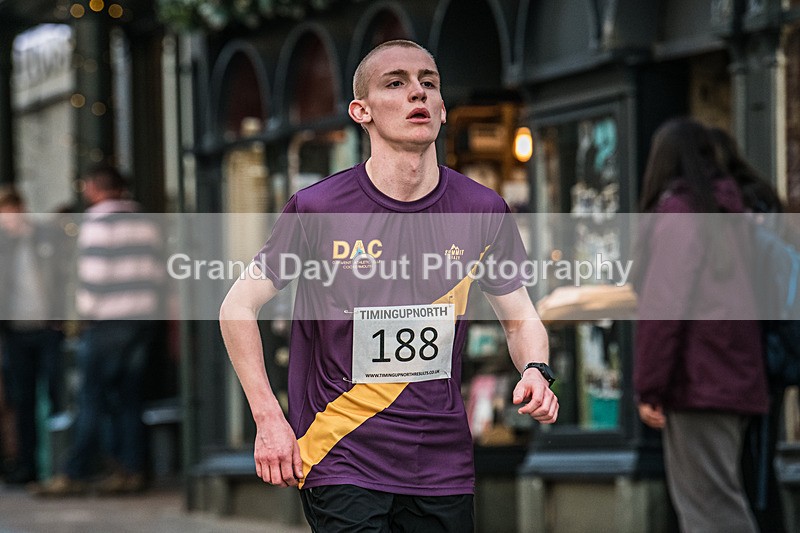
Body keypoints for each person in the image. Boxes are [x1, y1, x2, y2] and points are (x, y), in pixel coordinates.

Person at [219, 39, 558, 532]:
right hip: (340, 451)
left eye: (428, 83)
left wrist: (535, 369)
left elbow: (521, 318)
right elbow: (237, 307)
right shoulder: (319, 209)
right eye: (395, 83)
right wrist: (269, 418)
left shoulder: (481, 210)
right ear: (362, 110)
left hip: (441, 462)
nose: (416, 93)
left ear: (442, 110)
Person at [634, 118, 769, 533]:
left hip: (699, 382)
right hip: (734, 376)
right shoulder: (734, 211)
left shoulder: (681, 212)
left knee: (710, 511)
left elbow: (664, 307)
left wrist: (649, 386)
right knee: (719, 501)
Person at [34, 165, 163, 496]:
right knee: (130, 397)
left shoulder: (96, 221)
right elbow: (158, 272)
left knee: (90, 396)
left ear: (93, 188)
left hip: (108, 320)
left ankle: (75, 472)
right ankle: (131, 469)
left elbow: (93, 276)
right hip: (143, 318)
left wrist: (83, 314)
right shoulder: (142, 218)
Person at [709, 126, 787, 533]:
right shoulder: (759, 199)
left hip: (753, 351)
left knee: (748, 471)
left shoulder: (737, 205)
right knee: (754, 466)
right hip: (764, 350)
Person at [0, 186, 66, 485]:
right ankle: (28, 465)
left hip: (47, 327)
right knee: (23, 399)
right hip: (15, 331)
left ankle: (57, 465)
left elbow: (63, 274)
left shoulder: (44, 236)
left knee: (56, 394)